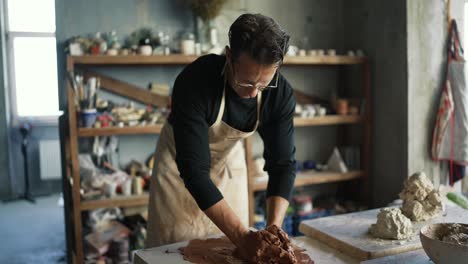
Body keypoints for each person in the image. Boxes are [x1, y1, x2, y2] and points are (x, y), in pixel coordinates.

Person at [146, 13, 296, 260]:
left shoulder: (280, 94)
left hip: (227, 167)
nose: (252, 94)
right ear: (229, 57)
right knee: (174, 255)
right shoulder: (195, 81)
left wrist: (273, 230)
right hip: (178, 171)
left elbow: (282, 165)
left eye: (263, 85)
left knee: (232, 253)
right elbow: (194, 173)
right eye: (246, 82)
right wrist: (242, 236)